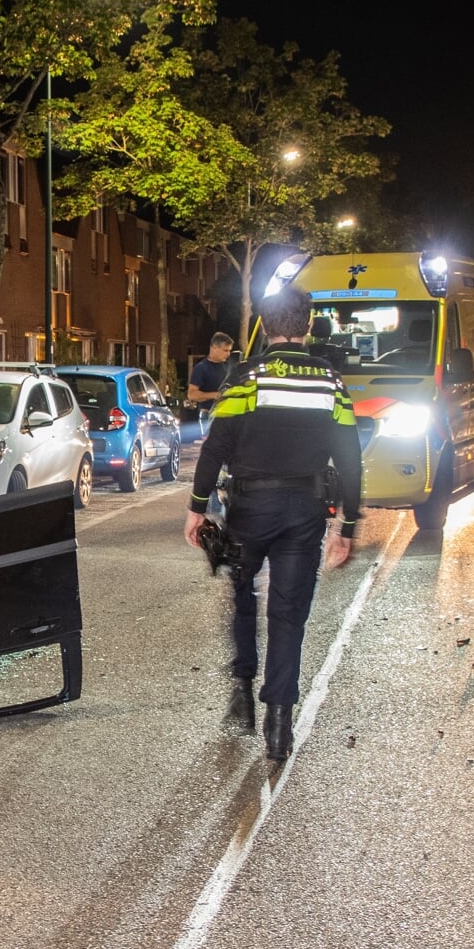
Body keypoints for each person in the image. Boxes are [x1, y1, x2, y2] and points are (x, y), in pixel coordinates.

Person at [184, 286, 362, 761]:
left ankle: (242, 683)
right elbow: (350, 458)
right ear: (306, 325)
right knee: (289, 614)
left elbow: (217, 445)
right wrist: (347, 526)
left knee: (243, 593)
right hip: (305, 511)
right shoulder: (330, 381)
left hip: (250, 509)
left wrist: (197, 506)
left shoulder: (247, 377)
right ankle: (279, 724)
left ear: (267, 322)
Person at [186, 332, 237, 438]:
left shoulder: (229, 366)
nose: (228, 354)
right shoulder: (201, 368)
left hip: (228, 414)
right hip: (208, 415)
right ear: (214, 348)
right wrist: (215, 395)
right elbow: (192, 394)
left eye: (229, 351)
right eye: (225, 350)